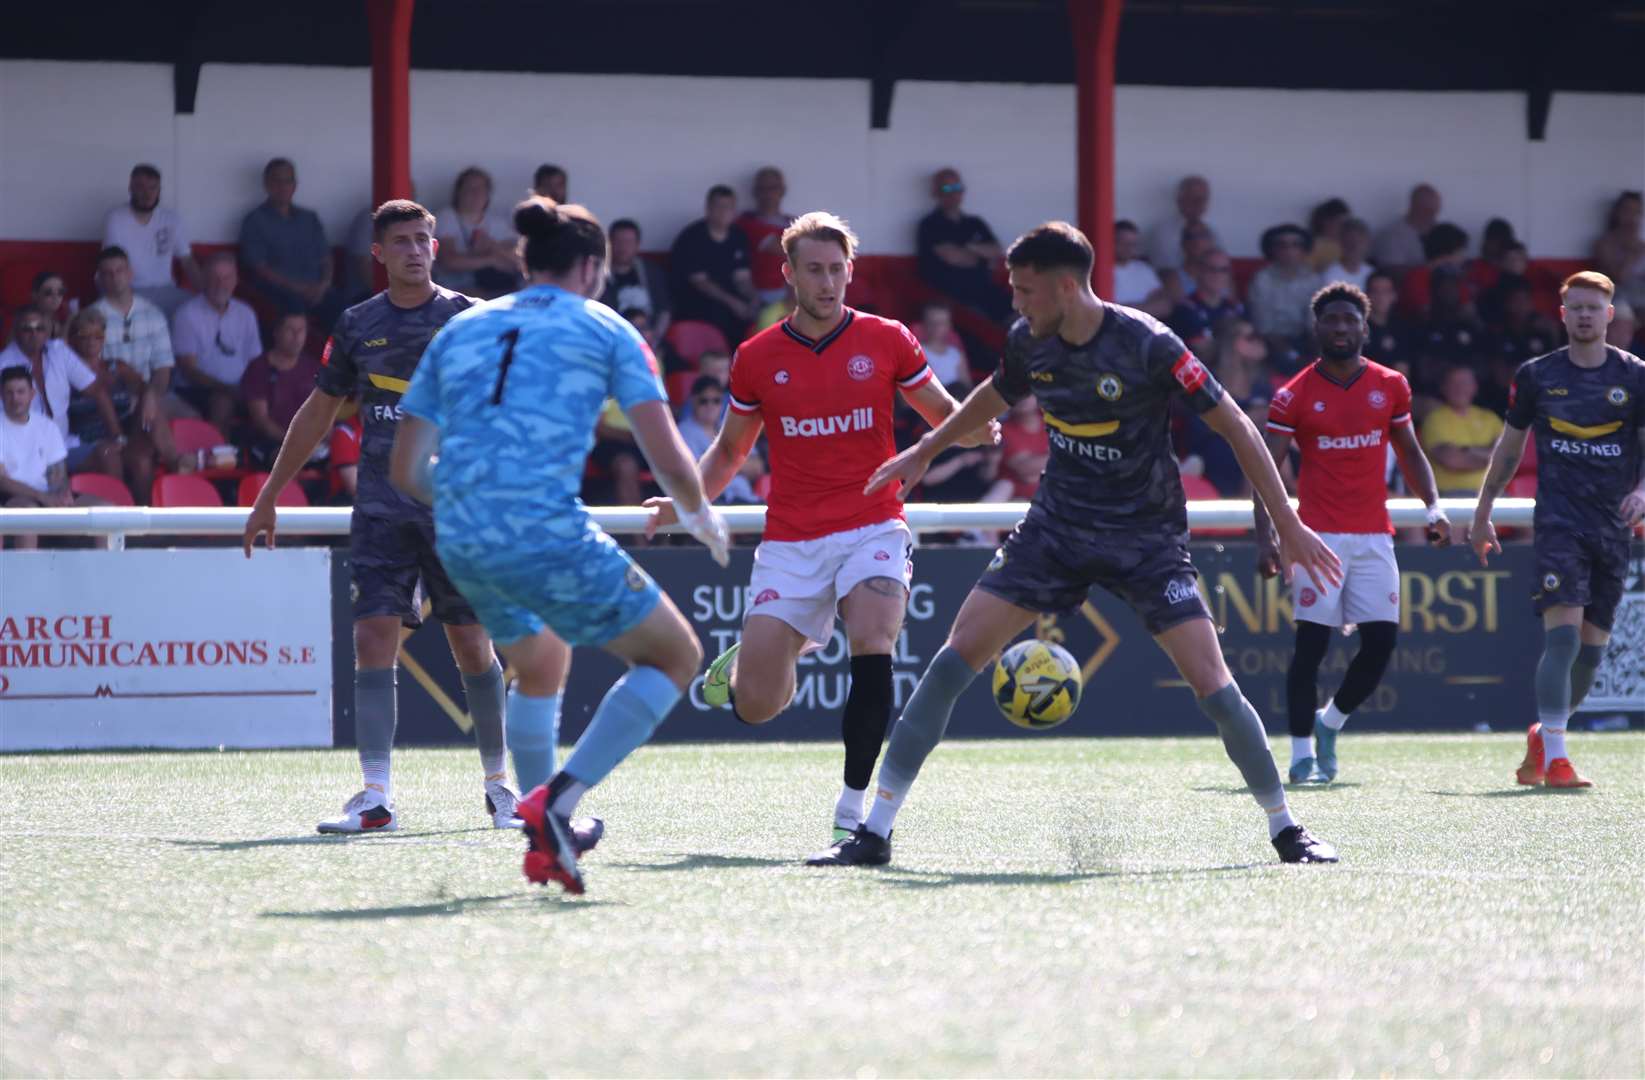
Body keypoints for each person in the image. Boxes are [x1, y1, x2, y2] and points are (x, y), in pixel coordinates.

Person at [810, 221, 1343, 868]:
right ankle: (875, 832)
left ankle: (1287, 829)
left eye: (1026, 291)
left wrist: (1286, 522)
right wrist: (926, 446)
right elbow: (994, 393)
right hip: (1053, 531)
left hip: (1145, 539)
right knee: (952, 661)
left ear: (1066, 288)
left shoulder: (1148, 344)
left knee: (1212, 684)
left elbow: (1235, 425)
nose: (1016, 303)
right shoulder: (1028, 341)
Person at [389, 197, 731, 895]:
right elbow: (664, 450)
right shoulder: (605, 326)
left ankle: (546, 834)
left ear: (526, 262)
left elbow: (404, 472)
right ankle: (558, 804)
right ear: (590, 267)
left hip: (459, 537)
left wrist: (466, 506)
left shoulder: (460, 329)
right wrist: (700, 513)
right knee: (674, 655)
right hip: (544, 529)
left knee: (541, 661)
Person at [644, 211, 997, 846]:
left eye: (838, 269)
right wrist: (683, 501)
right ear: (789, 275)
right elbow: (728, 454)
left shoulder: (889, 339)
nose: (828, 281)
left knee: (874, 637)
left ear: (851, 272)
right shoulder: (757, 357)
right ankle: (786, 647)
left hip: (873, 525)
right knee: (753, 703)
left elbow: (943, 414)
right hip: (792, 541)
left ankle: (854, 807)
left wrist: (974, 425)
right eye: (814, 270)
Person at [242, 200, 530, 834]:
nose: (413, 250)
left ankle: (498, 786)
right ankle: (375, 797)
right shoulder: (355, 325)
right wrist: (270, 494)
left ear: (435, 247)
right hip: (378, 511)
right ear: (379, 253)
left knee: (472, 645)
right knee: (374, 639)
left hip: (453, 514)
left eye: (423, 239)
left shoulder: (466, 320)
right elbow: (318, 413)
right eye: (400, 241)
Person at [1256, 283, 1451, 784]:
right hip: (1316, 538)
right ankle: (1301, 756)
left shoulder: (1391, 386)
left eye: (1350, 320)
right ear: (1316, 328)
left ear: (1365, 328)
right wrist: (1270, 538)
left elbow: (1409, 451)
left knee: (1381, 644)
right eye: (1331, 320)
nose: (1341, 328)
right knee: (1311, 650)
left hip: (1373, 538)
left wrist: (1433, 507)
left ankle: (1329, 724)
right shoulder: (1293, 394)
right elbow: (1265, 472)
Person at [1471, 271, 1645, 790]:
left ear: (1610, 316)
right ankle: (1559, 759)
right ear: (1563, 314)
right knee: (1564, 640)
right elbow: (1508, 448)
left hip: (1612, 529)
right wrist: (1483, 513)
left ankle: (1543, 737)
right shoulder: (1537, 376)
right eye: (1576, 307)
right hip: (1559, 523)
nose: (1585, 315)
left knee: (1592, 654)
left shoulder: (1635, 377)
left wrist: (1642, 490)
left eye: (1595, 307)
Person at [0, 305, 124, 479]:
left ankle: (118, 506)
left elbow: (97, 390)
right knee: (55, 485)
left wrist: (117, 435)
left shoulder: (58, 351)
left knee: (108, 454)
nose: (34, 334)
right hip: (26, 454)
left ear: (47, 330)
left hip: (63, 446)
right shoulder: (3, 363)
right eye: (27, 329)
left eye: (39, 328)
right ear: (16, 331)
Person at [239, 158, 340, 326]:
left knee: (346, 309)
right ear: (266, 184)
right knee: (293, 307)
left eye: (288, 180)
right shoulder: (255, 220)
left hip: (317, 289)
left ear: (295, 185)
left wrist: (324, 284)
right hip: (279, 292)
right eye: (277, 180)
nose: (283, 186)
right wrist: (299, 288)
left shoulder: (309, 218)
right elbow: (259, 268)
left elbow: (326, 257)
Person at [170, 253, 263, 432]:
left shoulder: (245, 313)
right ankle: (219, 455)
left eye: (227, 277)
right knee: (223, 401)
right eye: (215, 277)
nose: (221, 284)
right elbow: (189, 370)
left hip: (241, 388)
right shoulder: (186, 314)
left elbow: (256, 363)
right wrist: (227, 389)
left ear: (236, 280)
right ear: (204, 278)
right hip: (197, 390)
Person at [916, 168, 1013, 323]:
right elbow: (953, 257)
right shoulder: (930, 224)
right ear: (936, 193)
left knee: (1017, 310)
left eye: (957, 188)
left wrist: (969, 248)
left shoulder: (975, 223)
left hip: (985, 287)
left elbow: (996, 250)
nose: (954, 193)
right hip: (950, 295)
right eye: (947, 188)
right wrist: (982, 256)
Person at [103, 163, 201, 316]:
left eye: (153, 188)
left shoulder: (172, 219)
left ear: (159, 190)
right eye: (140, 187)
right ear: (130, 188)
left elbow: (187, 261)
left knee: (197, 310)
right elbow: (112, 264)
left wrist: (206, 294)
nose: (147, 194)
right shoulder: (116, 218)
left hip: (166, 289)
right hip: (129, 289)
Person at [671, 185, 758, 348]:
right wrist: (734, 303)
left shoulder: (738, 236)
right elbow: (701, 283)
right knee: (720, 314)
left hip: (730, 303)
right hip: (696, 304)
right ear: (708, 208)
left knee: (759, 314)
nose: (724, 211)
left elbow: (742, 278)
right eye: (719, 206)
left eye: (729, 207)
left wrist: (753, 299)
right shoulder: (692, 237)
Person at [241, 312, 322, 468]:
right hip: (269, 443)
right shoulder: (259, 368)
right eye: (290, 330)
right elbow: (261, 420)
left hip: (310, 444)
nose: (297, 336)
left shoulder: (314, 368)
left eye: (301, 330)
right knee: (291, 460)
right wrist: (293, 441)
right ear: (276, 332)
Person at [433, 166, 520, 298]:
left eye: (481, 189)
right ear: (458, 192)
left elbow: (518, 262)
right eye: (470, 189)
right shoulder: (447, 217)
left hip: (494, 289)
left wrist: (493, 247)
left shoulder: (497, 222)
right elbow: (448, 261)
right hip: (453, 290)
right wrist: (491, 259)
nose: (475, 193)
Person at [1421, 365, 1504, 496]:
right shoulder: (1434, 420)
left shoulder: (1490, 418)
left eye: (1465, 383)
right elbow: (1451, 460)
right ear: (1443, 387)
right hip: (1451, 495)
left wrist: (1466, 450)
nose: (1459, 388)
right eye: (1454, 383)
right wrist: (1488, 455)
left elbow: (1505, 458)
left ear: (1475, 387)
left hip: (1491, 493)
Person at [600, 220, 671, 339]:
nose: (623, 247)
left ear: (638, 244)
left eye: (628, 242)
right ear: (609, 243)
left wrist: (655, 337)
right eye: (618, 241)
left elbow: (664, 310)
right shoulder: (599, 275)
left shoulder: (651, 272)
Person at [1168, 248, 1244, 353]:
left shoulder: (1235, 308)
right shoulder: (1185, 309)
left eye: (1223, 270)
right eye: (1212, 269)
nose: (1218, 275)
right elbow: (1201, 351)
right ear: (1198, 272)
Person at [737, 166, 795, 304]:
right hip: (765, 294)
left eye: (773, 188)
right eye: (762, 189)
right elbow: (792, 253)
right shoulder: (746, 222)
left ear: (782, 190)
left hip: (797, 291)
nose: (768, 193)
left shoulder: (795, 222)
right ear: (755, 192)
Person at [1145, 175, 1221, 271]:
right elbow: (1167, 270)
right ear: (1180, 200)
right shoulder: (1163, 232)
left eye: (1203, 199)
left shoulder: (1212, 231)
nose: (1199, 203)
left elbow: (1222, 267)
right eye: (1194, 199)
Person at [1371, 183, 1442, 273]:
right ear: (1414, 207)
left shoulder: (1440, 232)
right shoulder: (1392, 236)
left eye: (1435, 211)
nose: (1433, 217)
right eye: (1428, 211)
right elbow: (1391, 271)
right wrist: (1429, 268)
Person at [1592, 191, 1644, 312]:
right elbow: (1619, 277)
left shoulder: (1642, 246)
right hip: (1619, 298)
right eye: (1627, 210)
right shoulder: (1604, 244)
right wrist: (1631, 251)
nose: (1632, 217)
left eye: (1636, 212)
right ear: (1617, 213)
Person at [1111, 221, 1170, 316]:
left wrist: (1131, 310)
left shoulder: (1144, 269)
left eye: (1132, 244)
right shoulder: (1099, 270)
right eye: (1122, 242)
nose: (1128, 248)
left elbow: (1164, 304)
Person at [916, 302, 970, 389]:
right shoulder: (918, 352)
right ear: (924, 324)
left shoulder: (956, 354)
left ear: (949, 325)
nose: (936, 327)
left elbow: (967, 384)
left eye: (941, 323)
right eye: (932, 322)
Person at [1320, 218, 1373, 290]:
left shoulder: (1371, 272)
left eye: (1360, 242)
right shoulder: (1329, 275)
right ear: (1341, 243)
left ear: (1367, 243)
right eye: (1349, 242)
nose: (1355, 247)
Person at [30, 272, 72, 339]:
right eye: (48, 292)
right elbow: (59, 348)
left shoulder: (57, 318)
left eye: (60, 292)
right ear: (35, 295)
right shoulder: (30, 321)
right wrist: (70, 321)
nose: (55, 297)